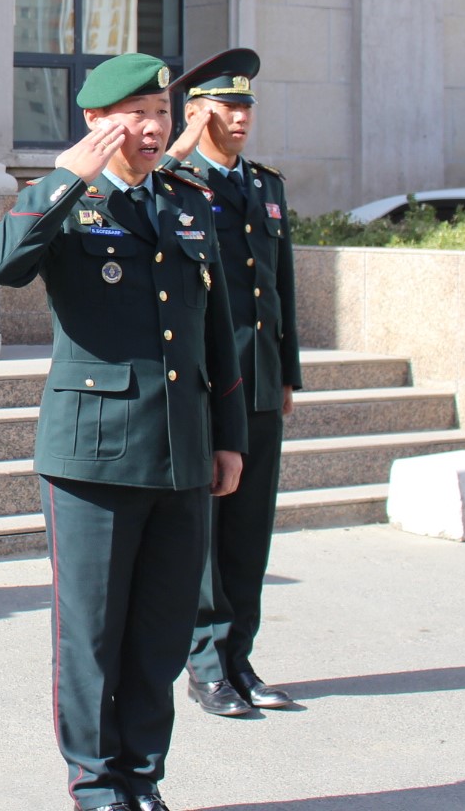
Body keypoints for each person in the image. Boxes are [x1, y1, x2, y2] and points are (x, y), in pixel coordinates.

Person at [0, 52, 248, 811]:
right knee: (92, 637)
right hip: (93, 455)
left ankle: (141, 777)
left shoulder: (186, 201)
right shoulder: (69, 203)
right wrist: (62, 179)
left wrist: (227, 438)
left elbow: (216, 333)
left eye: (160, 113)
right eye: (137, 114)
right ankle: (95, 785)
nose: (154, 127)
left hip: (180, 453)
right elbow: (0, 265)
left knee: (160, 637)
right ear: (96, 122)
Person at [164, 49, 301, 717]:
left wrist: (288, 372)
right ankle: (204, 666)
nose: (241, 117)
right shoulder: (176, 183)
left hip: (259, 383)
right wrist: (174, 150)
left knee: (249, 532)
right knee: (208, 535)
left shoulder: (265, 185)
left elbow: (282, 289)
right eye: (227, 105)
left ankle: (239, 660)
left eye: (246, 106)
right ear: (196, 112)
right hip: (207, 386)